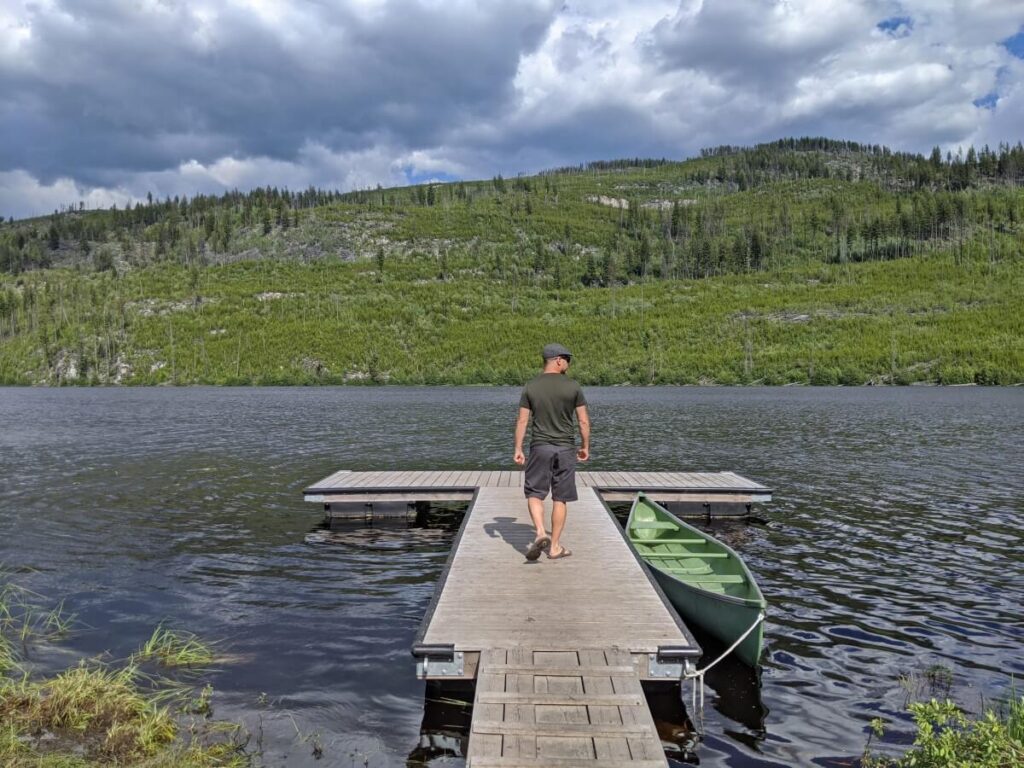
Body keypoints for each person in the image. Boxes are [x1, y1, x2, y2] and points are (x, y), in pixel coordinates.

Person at [513, 343, 590, 561]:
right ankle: (554, 546)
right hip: (565, 447)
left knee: (534, 493)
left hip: (540, 446)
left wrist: (518, 448)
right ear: (558, 360)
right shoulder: (573, 386)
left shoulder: (531, 386)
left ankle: (539, 532)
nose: (568, 363)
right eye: (567, 359)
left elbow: (522, 420)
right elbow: (583, 421)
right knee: (560, 497)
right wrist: (585, 446)